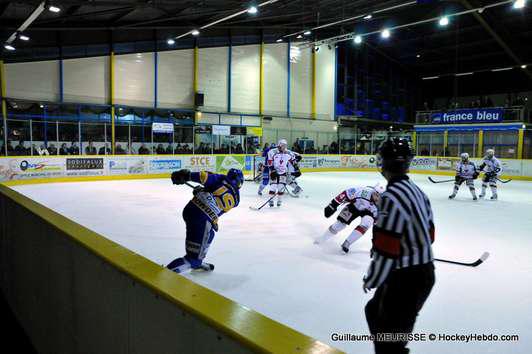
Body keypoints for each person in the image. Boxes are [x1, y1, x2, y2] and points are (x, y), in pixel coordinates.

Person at [364, 137, 435, 354]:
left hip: (406, 280)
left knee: (389, 345)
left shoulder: (390, 197)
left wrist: (373, 278)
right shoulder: (417, 191)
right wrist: (415, 246)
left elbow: (386, 250)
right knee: (373, 310)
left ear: (382, 163)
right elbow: (430, 234)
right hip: (422, 273)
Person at [166, 168, 243, 273]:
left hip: (191, 210)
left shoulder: (221, 178)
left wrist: (187, 176)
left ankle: (198, 258)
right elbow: (217, 205)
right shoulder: (237, 199)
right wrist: (202, 191)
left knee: (210, 234)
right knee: (192, 259)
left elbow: (203, 177)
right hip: (202, 219)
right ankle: (164, 275)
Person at [314, 184, 384, 253]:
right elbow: (346, 193)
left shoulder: (381, 207)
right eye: (376, 195)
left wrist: (375, 243)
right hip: (353, 206)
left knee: (367, 223)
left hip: (368, 213)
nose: (377, 198)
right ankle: (322, 238)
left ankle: (347, 244)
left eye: (380, 197)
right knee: (339, 225)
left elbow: (376, 227)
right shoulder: (363, 191)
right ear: (373, 192)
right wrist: (333, 204)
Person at [266, 139, 294, 207]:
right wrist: (272, 170)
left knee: (281, 187)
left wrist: (296, 166)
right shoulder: (272, 152)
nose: (284, 147)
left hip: (283, 172)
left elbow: (293, 161)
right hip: (274, 172)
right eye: (283, 145)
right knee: (273, 187)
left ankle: (279, 200)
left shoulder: (288, 153)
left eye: (285, 145)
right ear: (279, 145)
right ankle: (271, 200)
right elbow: (269, 162)